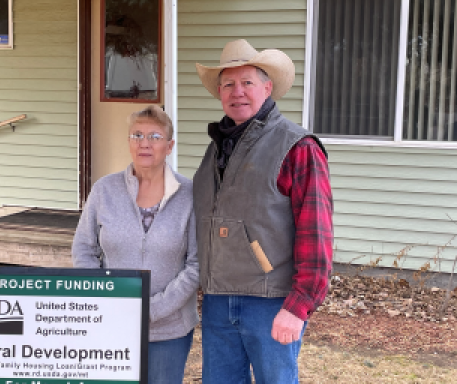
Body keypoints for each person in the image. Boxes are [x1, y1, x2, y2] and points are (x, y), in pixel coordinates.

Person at [193, 39, 334, 383]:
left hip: (271, 303)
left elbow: (316, 232)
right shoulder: (216, 150)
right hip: (217, 300)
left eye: (247, 83)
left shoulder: (297, 147)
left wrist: (299, 306)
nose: (237, 92)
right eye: (228, 83)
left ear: (268, 88)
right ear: (220, 92)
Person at [71, 105, 199, 384]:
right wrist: (105, 300)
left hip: (169, 330)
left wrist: (149, 310)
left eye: (154, 136)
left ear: (169, 146)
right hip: (111, 322)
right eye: (136, 135)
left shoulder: (189, 194)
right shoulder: (104, 189)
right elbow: (83, 249)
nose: (144, 143)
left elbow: (196, 265)